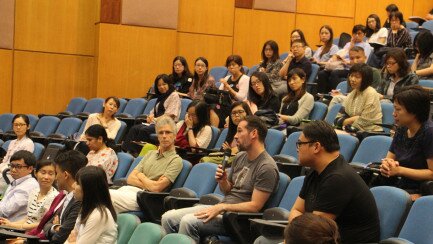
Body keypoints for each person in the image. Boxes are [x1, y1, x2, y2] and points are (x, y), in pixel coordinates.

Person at [161, 116, 279, 243]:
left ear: (254, 133)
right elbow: (228, 191)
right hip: (223, 208)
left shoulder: (266, 167)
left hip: (237, 220)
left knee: (188, 222)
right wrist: (223, 181)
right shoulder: (240, 157)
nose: (235, 136)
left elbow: (255, 206)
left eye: (239, 131)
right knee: (168, 218)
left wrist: (222, 207)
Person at [290, 121, 380, 243]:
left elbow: (313, 234)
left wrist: (294, 231)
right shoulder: (315, 171)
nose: (297, 149)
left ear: (316, 147)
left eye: (300, 144)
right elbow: (296, 211)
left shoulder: (338, 179)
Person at [110, 116, 183, 213]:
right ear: (157, 136)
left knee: (105, 198)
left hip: (145, 198)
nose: (164, 136)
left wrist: (141, 175)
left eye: (168, 132)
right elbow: (130, 179)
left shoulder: (176, 160)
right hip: (129, 190)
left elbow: (156, 188)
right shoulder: (150, 154)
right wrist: (149, 183)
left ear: (175, 135)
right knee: (101, 204)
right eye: (161, 133)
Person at [378, 86, 433, 199]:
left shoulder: (429, 132)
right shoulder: (402, 128)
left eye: (398, 110)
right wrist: (387, 165)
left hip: (421, 191)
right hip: (400, 184)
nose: (394, 114)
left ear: (414, 112)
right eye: (394, 109)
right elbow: (390, 158)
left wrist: (399, 170)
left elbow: (432, 173)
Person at [26, 150, 88, 243]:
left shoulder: (79, 201)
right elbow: (46, 225)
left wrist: (55, 228)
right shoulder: (65, 196)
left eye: (56, 173)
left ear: (65, 175)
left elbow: (61, 236)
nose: (56, 177)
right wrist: (55, 227)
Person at [121, 74, 181, 155]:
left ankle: (139, 154)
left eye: (164, 84)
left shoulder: (174, 95)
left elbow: (170, 114)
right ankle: (125, 152)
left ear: (169, 84)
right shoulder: (161, 97)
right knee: (134, 128)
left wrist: (155, 119)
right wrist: (150, 116)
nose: (161, 87)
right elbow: (153, 111)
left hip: (167, 124)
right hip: (156, 123)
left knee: (144, 130)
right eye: (159, 85)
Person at [0, 159, 58, 230]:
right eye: (43, 173)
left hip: (36, 235)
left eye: (51, 174)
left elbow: (43, 224)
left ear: (55, 176)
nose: (46, 177)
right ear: (35, 173)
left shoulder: (55, 197)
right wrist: (8, 224)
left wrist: (13, 225)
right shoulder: (34, 192)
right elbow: (28, 218)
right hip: (24, 232)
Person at [65, 166, 117, 243]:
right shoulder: (85, 208)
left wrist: (73, 241)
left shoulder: (99, 215)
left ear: (88, 189)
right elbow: (71, 238)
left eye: (78, 183)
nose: (73, 186)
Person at [316, 25, 372, 94]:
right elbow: (341, 55)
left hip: (353, 69)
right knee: (322, 73)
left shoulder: (366, 45)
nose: (357, 35)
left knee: (335, 73)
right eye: (355, 33)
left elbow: (363, 61)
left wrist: (348, 61)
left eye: (359, 33)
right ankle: (321, 96)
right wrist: (350, 46)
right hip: (343, 66)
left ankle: (337, 94)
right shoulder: (348, 44)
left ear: (364, 34)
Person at [335, 63, 382, 132]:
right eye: (351, 75)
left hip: (370, 132)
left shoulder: (371, 93)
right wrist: (353, 119)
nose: (352, 79)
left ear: (365, 79)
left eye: (357, 77)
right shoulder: (352, 94)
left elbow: (365, 120)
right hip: (351, 130)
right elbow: (337, 119)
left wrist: (345, 122)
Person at [0, 151, 38, 222]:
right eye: (12, 166)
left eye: (18, 166)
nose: (13, 170)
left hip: (12, 230)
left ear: (30, 169)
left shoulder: (29, 186)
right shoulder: (18, 181)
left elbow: (5, 210)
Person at [0, 114, 34, 193]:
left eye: (21, 125)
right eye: (16, 125)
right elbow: (5, 160)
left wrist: (3, 169)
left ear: (28, 126)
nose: (18, 127)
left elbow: (21, 165)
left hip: (13, 174)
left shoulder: (28, 143)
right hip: (4, 171)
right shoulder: (12, 142)